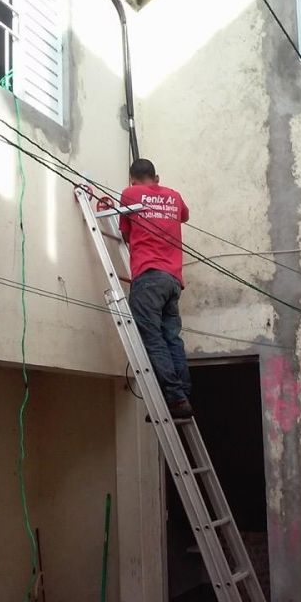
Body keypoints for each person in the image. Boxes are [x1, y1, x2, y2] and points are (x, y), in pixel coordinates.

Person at [119, 159, 192, 420]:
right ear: (156, 177)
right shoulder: (174, 196)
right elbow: (184, 215)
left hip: (148, 276)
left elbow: (126, 235)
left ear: (132, 179)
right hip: (173, 280)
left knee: (152, 339)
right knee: (172, 338)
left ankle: (174, 398)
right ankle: (182, 395)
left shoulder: (130, 194)